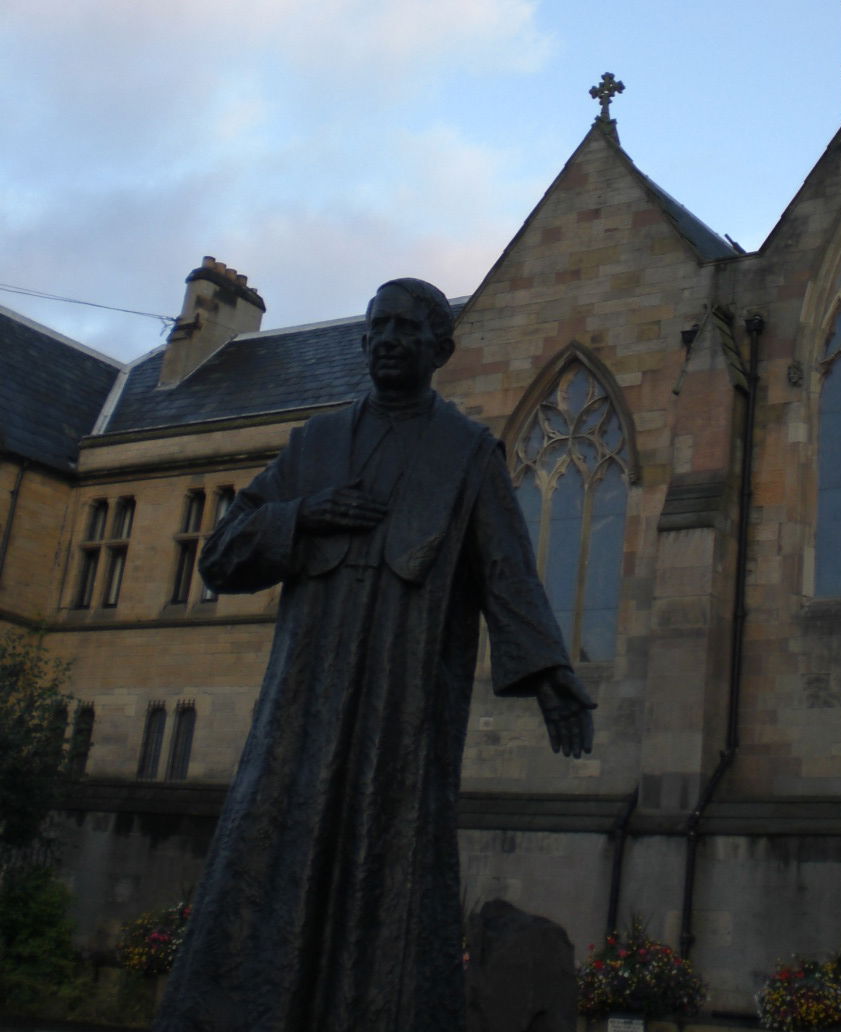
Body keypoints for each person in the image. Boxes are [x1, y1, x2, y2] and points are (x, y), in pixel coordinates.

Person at [154, 278, 595, 1032]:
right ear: (362, 343)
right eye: (377, 326)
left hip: (404, 698)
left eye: (406, 328)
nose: (388, 338)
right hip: (303, 697)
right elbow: (222, 557)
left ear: (440, 349)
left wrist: (553, 677)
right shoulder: (314, 445)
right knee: (270, 853)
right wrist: (304, 514)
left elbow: (507, 573)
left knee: (390, 865)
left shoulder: (467, 454)